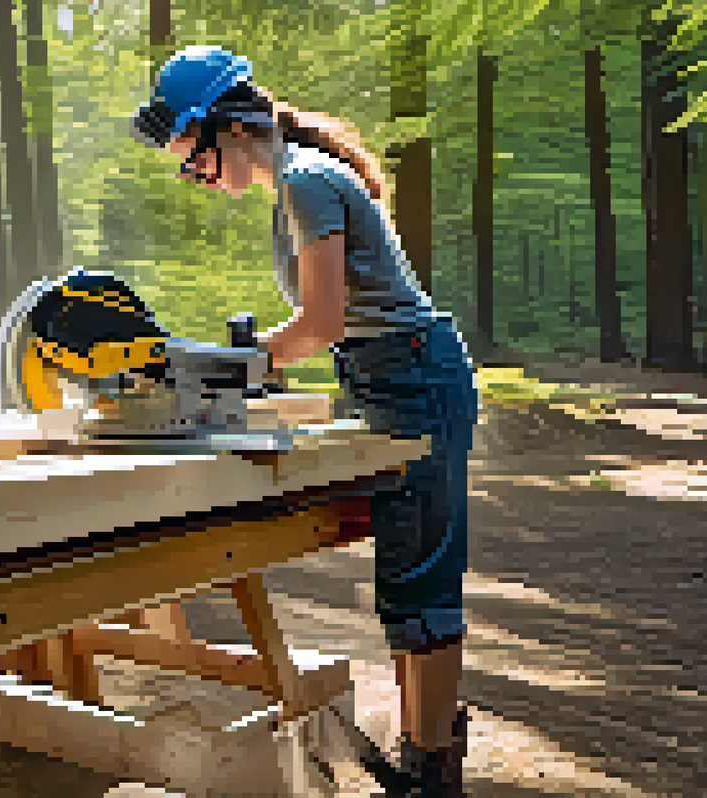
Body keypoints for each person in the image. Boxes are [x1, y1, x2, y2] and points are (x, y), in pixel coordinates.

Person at [131, 46, 481, 796]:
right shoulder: (300, 182)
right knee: (405, 576)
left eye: (192, 158)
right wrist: (256, 357)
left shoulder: (305, 182)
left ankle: (430, 773)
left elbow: (319, 323)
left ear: (224, 126)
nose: (194, 175)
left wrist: (234, 362)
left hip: (412, 375)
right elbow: (328, 323)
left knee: (422, 581)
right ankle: (425, 754)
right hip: (390, 372)